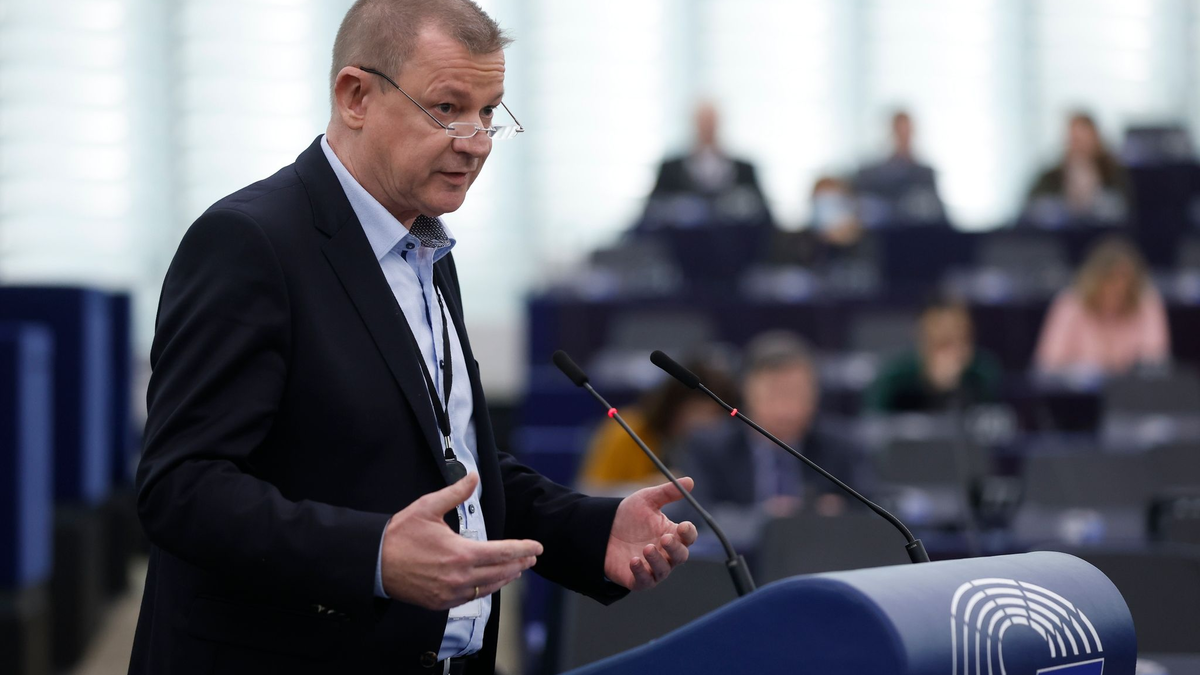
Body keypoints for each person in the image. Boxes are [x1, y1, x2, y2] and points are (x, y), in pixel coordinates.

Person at [129, 2, 697, 673]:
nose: (477, 140)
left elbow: (447, 459)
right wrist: (372, 554)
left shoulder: (425, 246)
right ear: (355, 96)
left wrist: (591, 529)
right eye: (448, 107)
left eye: (489, 112)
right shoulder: (250, 244)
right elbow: (182, 486)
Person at [675, 332, 855, 549]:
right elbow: (695, 518)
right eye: (774, 394)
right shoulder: (708, 447)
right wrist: (766, 519)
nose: (785, 410)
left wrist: (838, 513)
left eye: (796, 394)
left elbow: (875, 511)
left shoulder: (841, 445)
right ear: (747, 393)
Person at [577, 359, 737, 493]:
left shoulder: (716, 447)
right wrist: (648, 487)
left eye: (718, 416)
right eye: (704, 413)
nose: (711, 425)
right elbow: (589, 493)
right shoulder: (627, 430)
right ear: (675, 405)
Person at [1035, 237, 1169, 376]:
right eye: (1109, 280)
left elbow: (1156, 362)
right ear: (1094, 281)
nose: (1117, 288)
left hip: (1133, 394)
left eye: (1124, 281)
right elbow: (1047, 365)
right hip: (1080, 396)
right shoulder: (1071, 303)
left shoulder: (1146, 302)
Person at [640, 101, 772, 229]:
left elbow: (765, 216)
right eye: (703, 122)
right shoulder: (670, 169)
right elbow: (650, 213)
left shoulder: (744, 169)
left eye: (711, 122)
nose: (707, 127)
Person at [866, 299, 1002, 413]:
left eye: (959, 338)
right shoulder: (894, 376)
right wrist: (930, 385)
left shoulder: (981, 373)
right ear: (922, 336)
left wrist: (958, 387)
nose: (949, 352)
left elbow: (994, 428)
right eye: (942, 343)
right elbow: (874, 427)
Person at [1026, 112, 1130, 224]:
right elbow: (1032, 209)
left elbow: (1125, 211)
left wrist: (1093, 194)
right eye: (1074, 140)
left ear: (1096, 140)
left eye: (1083, 140)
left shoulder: (1114, 173)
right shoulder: (1050, 176)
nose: (1078, 147)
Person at [854, 110, 945, 225]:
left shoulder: (925, 174)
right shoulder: (870, 175)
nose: (903, 137)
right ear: (891, 132)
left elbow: (939, 215)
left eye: (907, 131)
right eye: (900, 131)